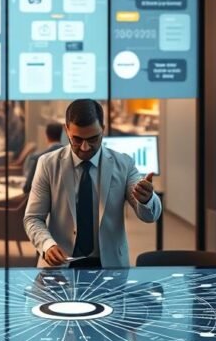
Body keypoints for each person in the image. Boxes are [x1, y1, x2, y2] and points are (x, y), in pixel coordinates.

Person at [23, 99, 161, 268]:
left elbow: (149, 216)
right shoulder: (48, 164)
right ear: (66, 130)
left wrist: (146, 199)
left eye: (93, 139)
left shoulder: (124, 164)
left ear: (103, 129)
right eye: (77, 139)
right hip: (60, 264)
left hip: (110, 266)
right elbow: (33, 218)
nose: (85, 147)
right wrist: (46, 244)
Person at [22, 122, 63, 193]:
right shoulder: (72, 158)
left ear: (46, 135)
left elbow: (28, 187)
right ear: (61, 134)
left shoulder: (37, 158)